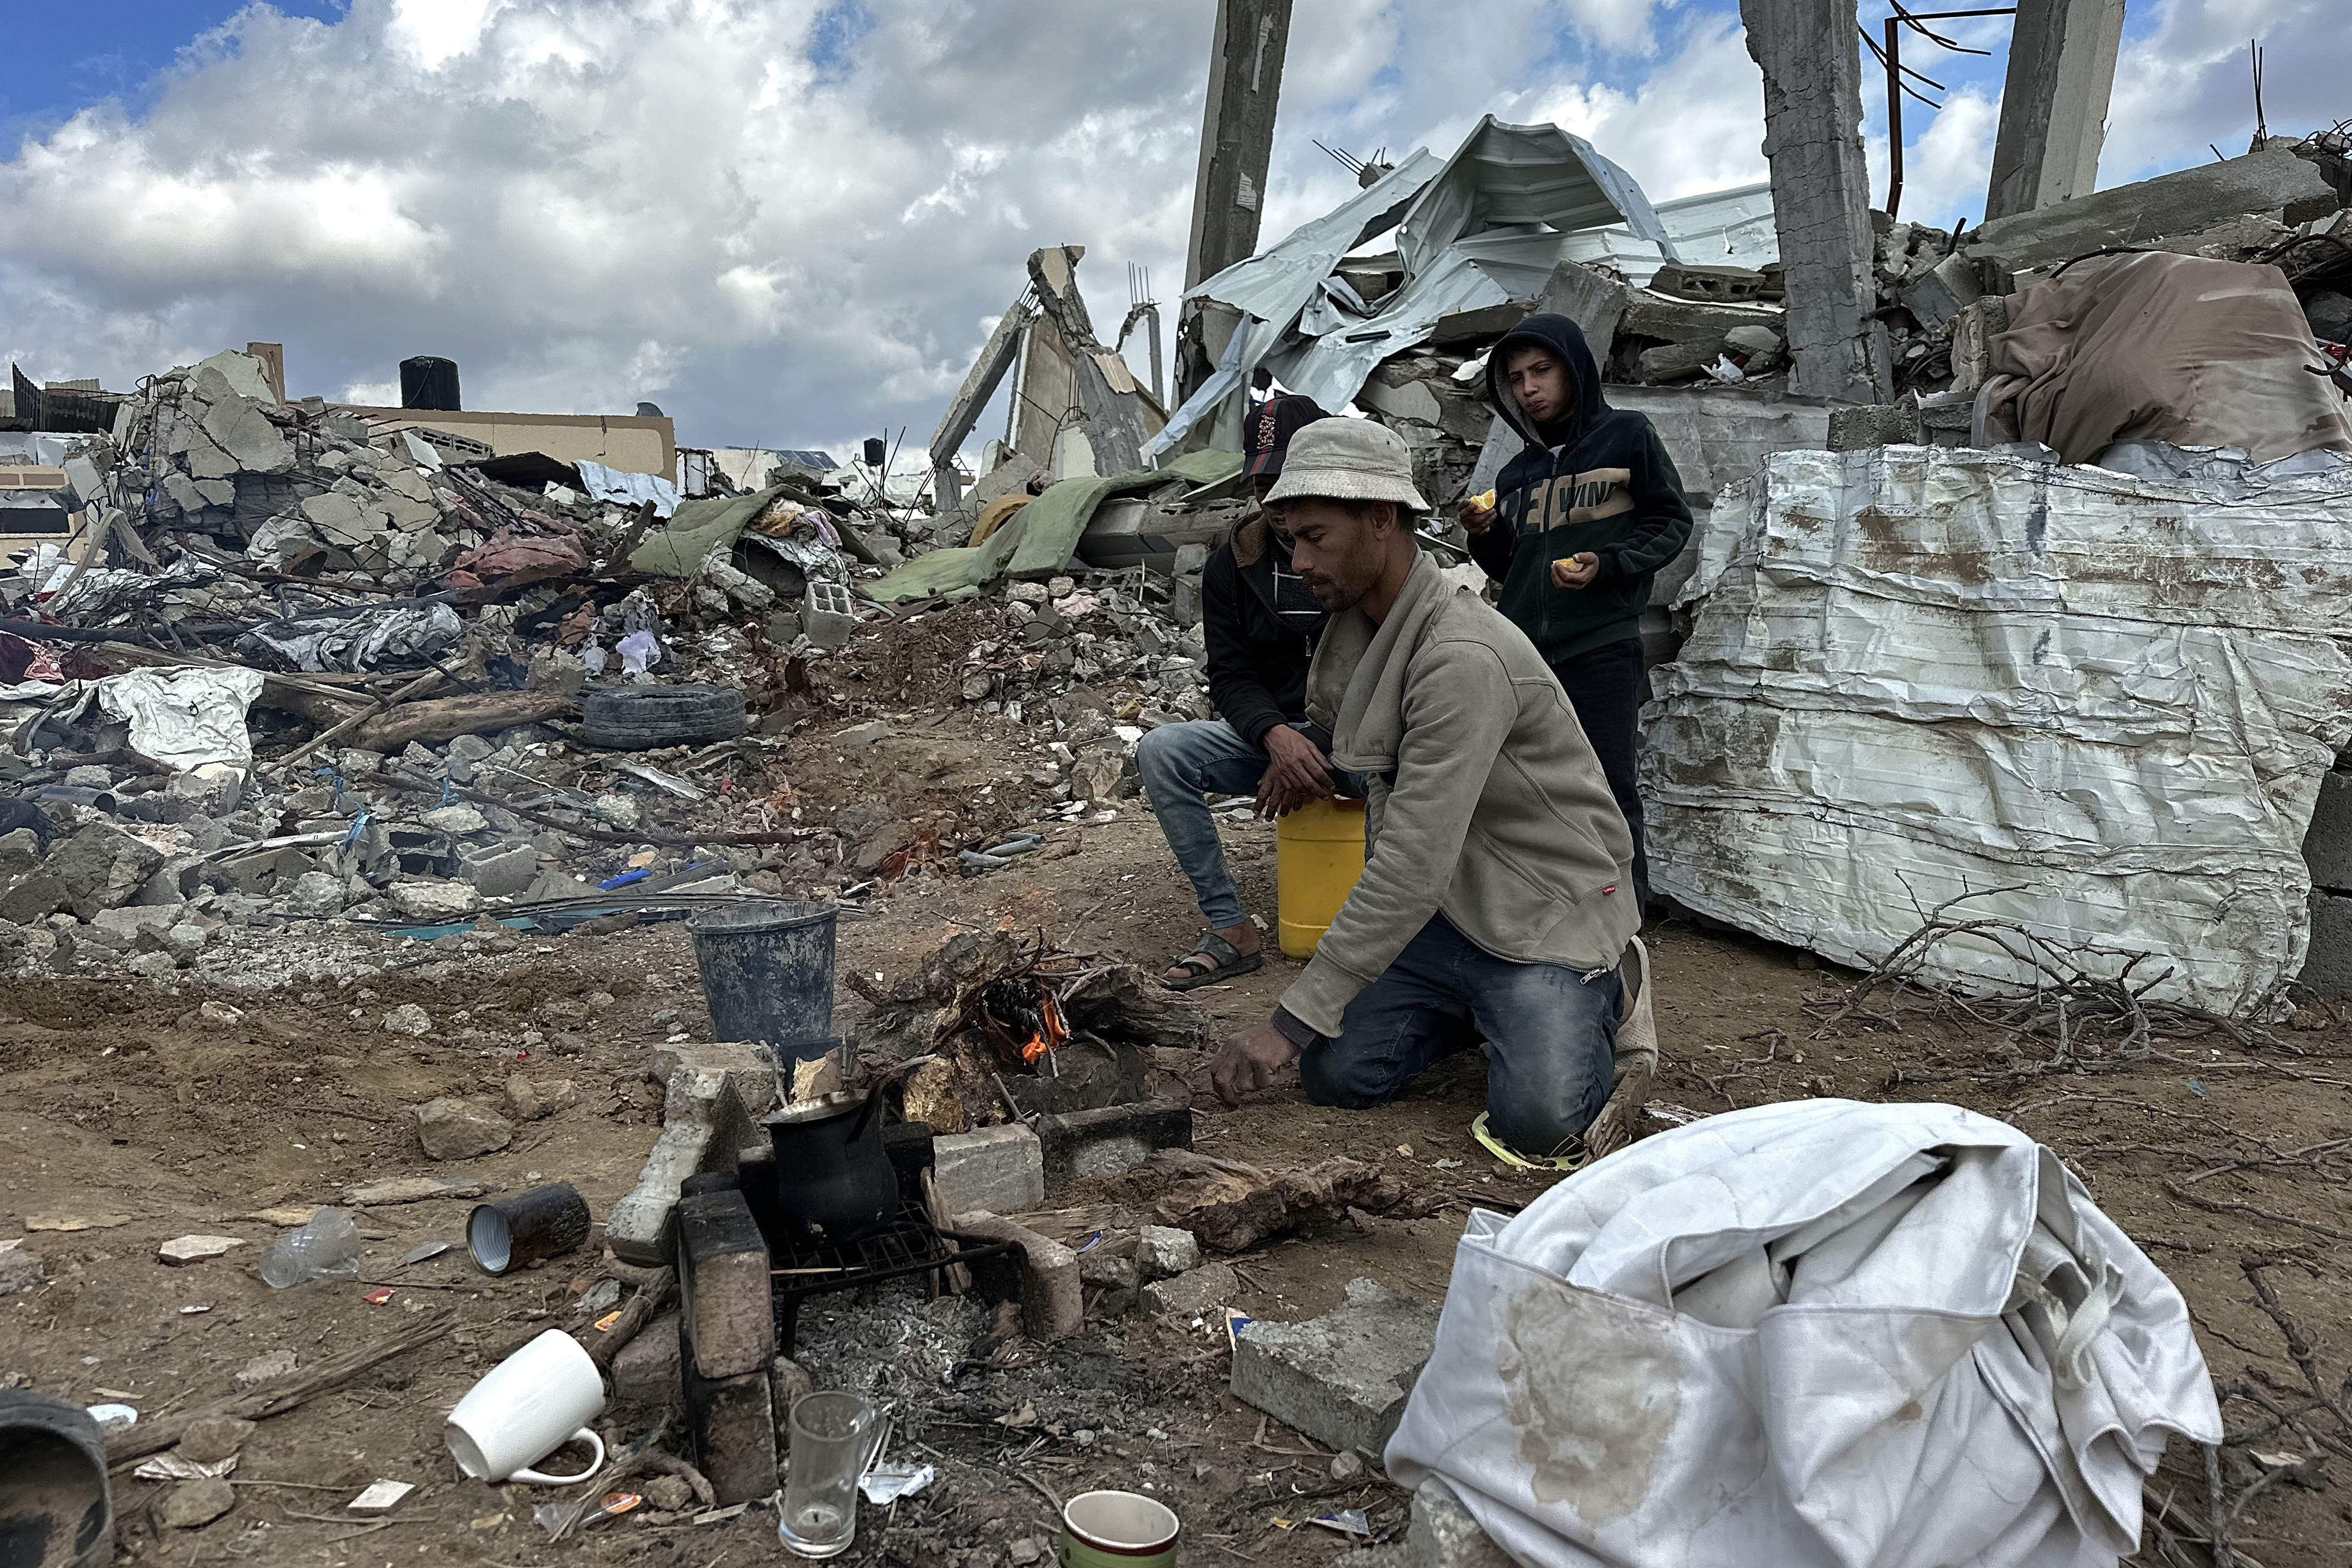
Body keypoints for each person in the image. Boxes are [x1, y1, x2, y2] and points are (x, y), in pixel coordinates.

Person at [1210, 418, 1653, 1162]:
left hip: (1545, 913)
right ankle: (1480, 1010)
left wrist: (1287, 1022)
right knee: (1338, 1075)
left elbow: (1412, 856)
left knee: (1542, 1125)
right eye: (1292, 539)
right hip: (1452, 911)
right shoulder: (1365, 628)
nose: (1300, 559)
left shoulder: (1462, 658)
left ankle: (1611, 985)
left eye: (1315, 537)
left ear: (1381, 520)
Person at [1461, 314, 1693, 905]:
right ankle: (1547, 907)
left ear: (1576, 370)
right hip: (1525, 657)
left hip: (1599, 645)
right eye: (1515, 378)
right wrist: (1484, 535)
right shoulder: (1517, 473)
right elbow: (1511, 567)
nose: (1528, 388)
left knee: (1606, 786)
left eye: (1542, 370)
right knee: (1527, 787)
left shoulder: (1627, 437)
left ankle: (1624, 920)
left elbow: (1670, 523)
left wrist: (1608, 564)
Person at [1139, 393, 1350, 990]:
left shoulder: (1363, 545)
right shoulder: (1234, 561)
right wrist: (1276, 736)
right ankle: (1231, 928)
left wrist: (1313, 740)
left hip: (1366, 741)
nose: (1274, 500)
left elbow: (1389, 672)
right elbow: (1231, 675)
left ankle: (1407, 930)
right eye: (1262, 483)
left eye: (1287, 479)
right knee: (1164, 752)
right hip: (1276, 735)